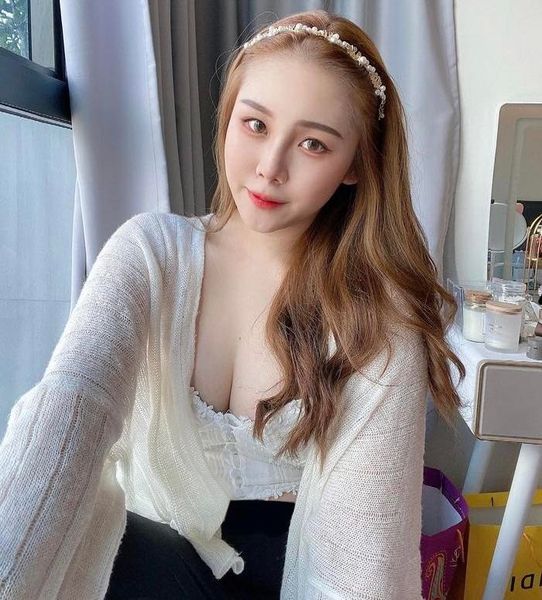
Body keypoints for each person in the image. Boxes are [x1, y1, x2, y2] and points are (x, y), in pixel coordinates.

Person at [0, 9, 465, 600]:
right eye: (255, 124)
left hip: (294, 577)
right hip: (153, 564)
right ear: (227, 119)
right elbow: (68, 416)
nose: (270, 168)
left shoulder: (377, 315)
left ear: (355, 165)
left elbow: (364, 558)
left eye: (313, 143)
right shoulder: (151, 254)